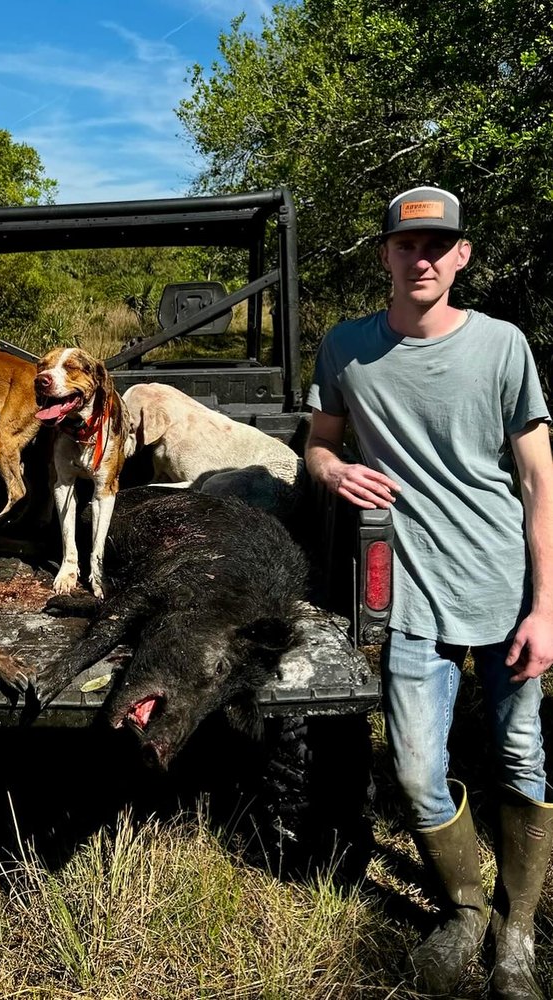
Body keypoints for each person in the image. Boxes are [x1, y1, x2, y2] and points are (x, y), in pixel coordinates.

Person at [306, 186, 553, 999]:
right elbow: (318, 444)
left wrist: (547, 606)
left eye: (439, 245)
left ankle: (517, 933)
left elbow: (538, 479)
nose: (423, 258)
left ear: (461, 257)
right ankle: (466, 910)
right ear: (384, 253)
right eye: (407, 245)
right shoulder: (344, 347)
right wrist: (336, 470)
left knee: (520, 757)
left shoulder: (503, 346)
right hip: (408, 598)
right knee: (418, 774)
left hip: (506, 593)